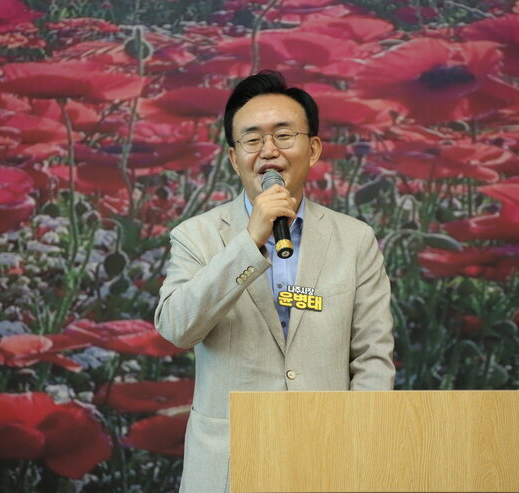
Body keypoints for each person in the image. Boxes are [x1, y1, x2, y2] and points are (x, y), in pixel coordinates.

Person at [155, 70, 395, 493]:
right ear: (234, 158)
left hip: (329, 454)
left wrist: (360, 444)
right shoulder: (196, 236)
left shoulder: (354, 240)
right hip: (230, 460)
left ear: (313, 148)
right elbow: (177, 328)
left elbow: (372, 357)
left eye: (284, 136)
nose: (268, 151)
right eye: (252, 140)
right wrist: (250, 240)